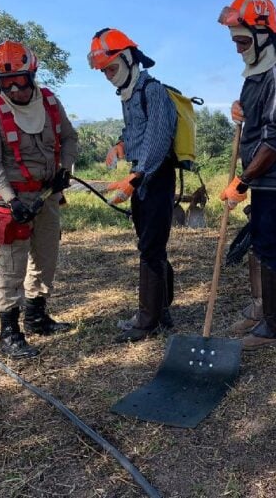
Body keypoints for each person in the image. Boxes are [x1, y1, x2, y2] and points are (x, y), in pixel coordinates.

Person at [0, 41, 79, 358]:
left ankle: (36, 316)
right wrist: (10, 198)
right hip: (14, 199)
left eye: (21, 80)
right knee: (11, 265)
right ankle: (9, 332)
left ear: (32, 74)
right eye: (8, 83)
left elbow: (70, 138)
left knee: (45, 259)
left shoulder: (49, 102)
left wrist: (64, 170)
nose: (16, 88)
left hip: (49, 195)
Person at [217, 0, 276, 351]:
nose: (237, 48)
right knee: (261, 242)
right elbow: (257, 120)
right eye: (234, 40)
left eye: (241, 40)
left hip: (274, 176)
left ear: (262, 34)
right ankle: (262, 311)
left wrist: (244, 180)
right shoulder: (256, 73)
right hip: (259, 175)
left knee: (272, 243)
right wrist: (240, 109)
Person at [88, 28, 177, 343]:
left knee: (150, 248)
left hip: (156, 176)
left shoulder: (151, 89)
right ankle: (162, 311)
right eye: (104, 72)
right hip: (142, 174)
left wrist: (134, 178)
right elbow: (136, 130)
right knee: (150, 244)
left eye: (111, 68)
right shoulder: (129, 93)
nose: (108, 76)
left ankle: (147, 319)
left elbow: (158, 138)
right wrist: (120, 145)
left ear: (127, 59)